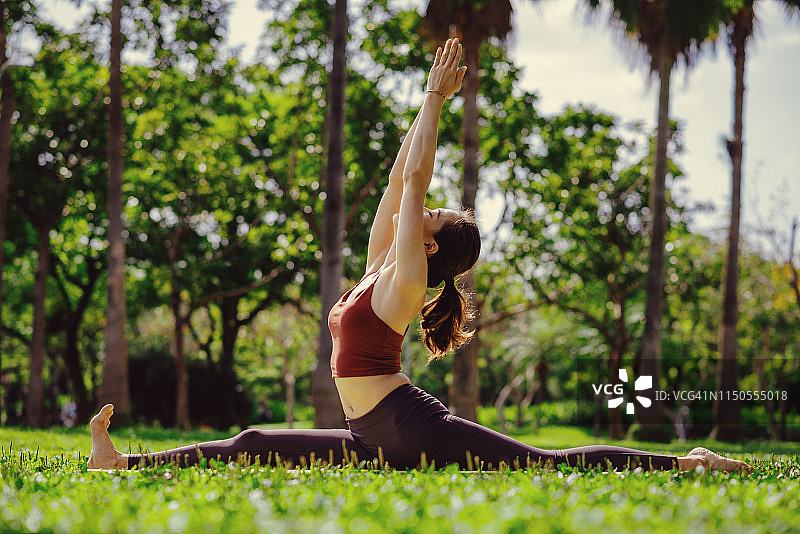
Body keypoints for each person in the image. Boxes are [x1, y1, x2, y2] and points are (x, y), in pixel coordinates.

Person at [88, 38, 750, 474]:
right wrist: (423, 109)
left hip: (408, 430)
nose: (421, 209)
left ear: (430, 243)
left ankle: (691, 464)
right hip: (365, 434)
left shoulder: (406, 279)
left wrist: (435, 99)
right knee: (256, 445)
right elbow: (399, 178)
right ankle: (121, 465)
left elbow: (413, 182)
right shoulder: (382, 265)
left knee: (547, 462)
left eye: (431, 215)